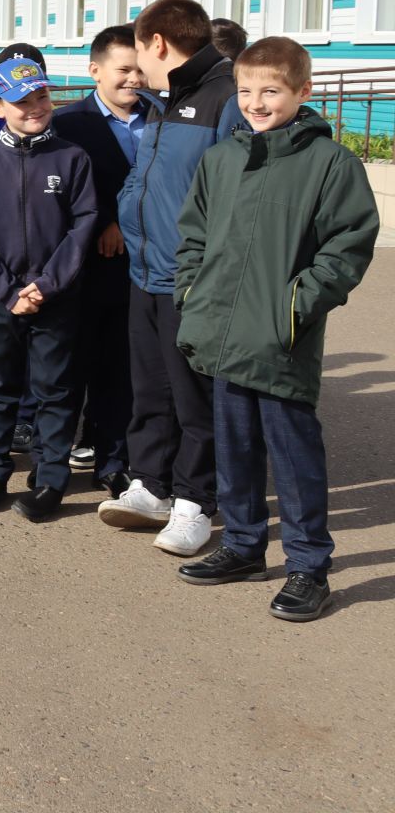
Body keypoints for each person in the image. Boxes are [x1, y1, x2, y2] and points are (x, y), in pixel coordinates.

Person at [171, 37, 378, 621]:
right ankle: (241, 545)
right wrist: (193, 294)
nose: (255, 103)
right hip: (221, 334)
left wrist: (294, 306)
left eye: (271, 91)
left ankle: (309, 567)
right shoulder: (222, 158)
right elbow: (193, 237)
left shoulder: (329, 164)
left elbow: (348, 245)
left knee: (293, 455)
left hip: (280, 340)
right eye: (245, 91)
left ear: (301, 92)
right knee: (233, 449)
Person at [98, 0, 242, 556]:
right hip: (147, 271)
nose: (137, 64)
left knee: (194, 395)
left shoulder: (226, 97)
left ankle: (196, 501)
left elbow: (234, 198)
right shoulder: (164, 99)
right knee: (151, 387)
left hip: (193, 278)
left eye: (139, 50)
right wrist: (135, 230)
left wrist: (202, 265)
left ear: (158, 43)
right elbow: (143, 177)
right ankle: (152, 484)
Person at [0, 57, 98, 521]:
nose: (35, 106)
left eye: (41, 96)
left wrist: (45, 285)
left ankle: (50, 476)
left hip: (55, 298)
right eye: (21, 101)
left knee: (55, 390)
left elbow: (83, 226)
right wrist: (7, 292)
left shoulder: (72, 158)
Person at [50, 26, 147, 496]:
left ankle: (113, 461)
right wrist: (106, 220)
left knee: (120, 371)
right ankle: (52, 467)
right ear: (95, 71)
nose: (134, 79)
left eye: (140, 70)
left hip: (141, 269)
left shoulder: (162, 119)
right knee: (69, 369)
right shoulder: (70, 125)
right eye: (123, 70)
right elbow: (59, 195)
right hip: (83, 268)